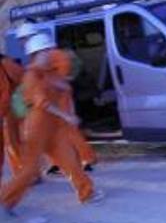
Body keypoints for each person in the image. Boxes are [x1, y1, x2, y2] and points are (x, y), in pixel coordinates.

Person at [1, 33, 102, 213]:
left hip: (54, 128)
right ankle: (5, 200)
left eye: (49, 49)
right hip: (37, 127)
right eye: (46, 50)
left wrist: (64, 88)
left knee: (70, 161)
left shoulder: (50, 73)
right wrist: (67, 116)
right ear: (36, 53)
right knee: (30, 169)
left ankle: (87, 193)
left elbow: (63, 86)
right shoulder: (31, 76)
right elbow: (43, 103)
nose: (50, 53)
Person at [14, 24, 97, 175]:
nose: (21, 42)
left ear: (28, 36)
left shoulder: (54, 54)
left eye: (21, 38)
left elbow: (61, 79)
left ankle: (87, 159)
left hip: (59, 99)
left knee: (70, 129)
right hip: (51, 99)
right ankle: (57, 163)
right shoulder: (40, 54)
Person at [0, 52, 24, 185]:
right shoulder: (7, 61)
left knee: (12, 141)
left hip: (11, 106)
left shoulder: (4, 63)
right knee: (15, 140)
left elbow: (5, 92)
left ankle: (24, 173)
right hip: (14, 104)